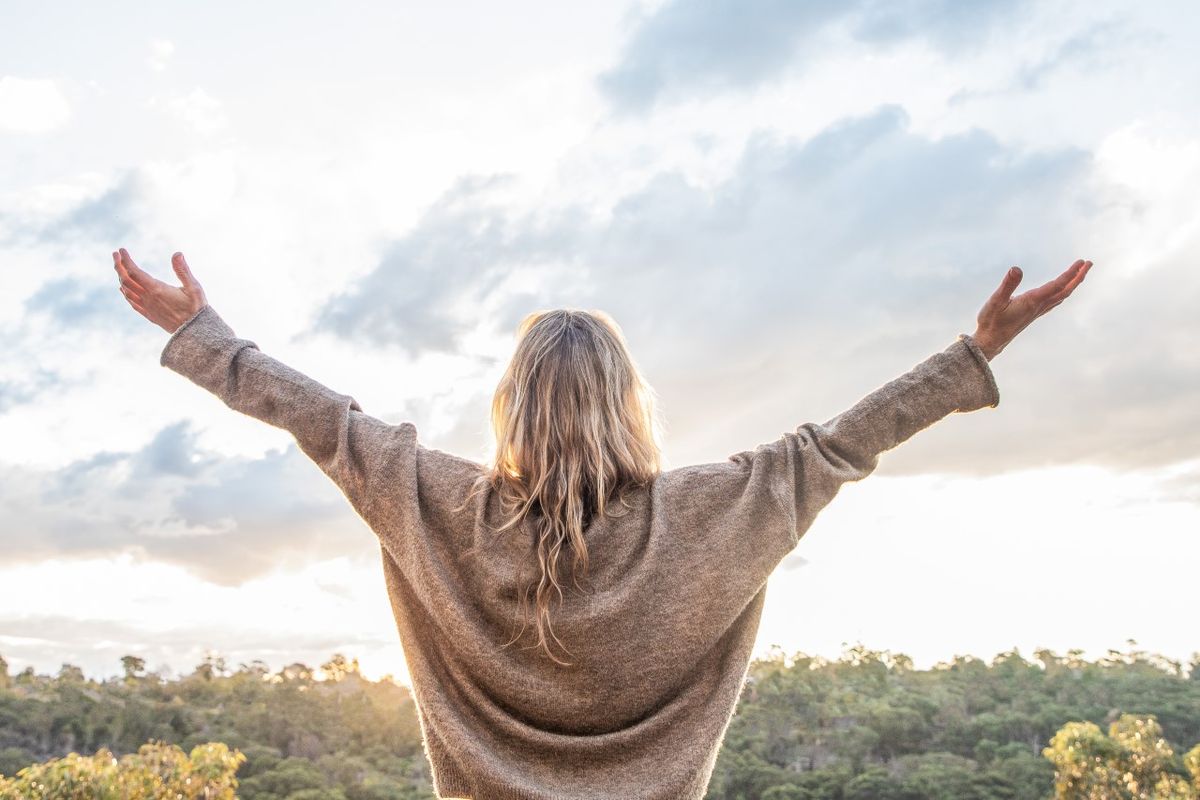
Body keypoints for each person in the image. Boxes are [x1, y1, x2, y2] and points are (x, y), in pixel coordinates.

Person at [114, 248, 1091, 800]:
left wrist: (207, 338)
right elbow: (842, 441)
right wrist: (971, 354)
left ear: (510, 403)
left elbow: (323, 419)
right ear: (631, 402)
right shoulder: (718, 510)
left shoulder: (433, 496)